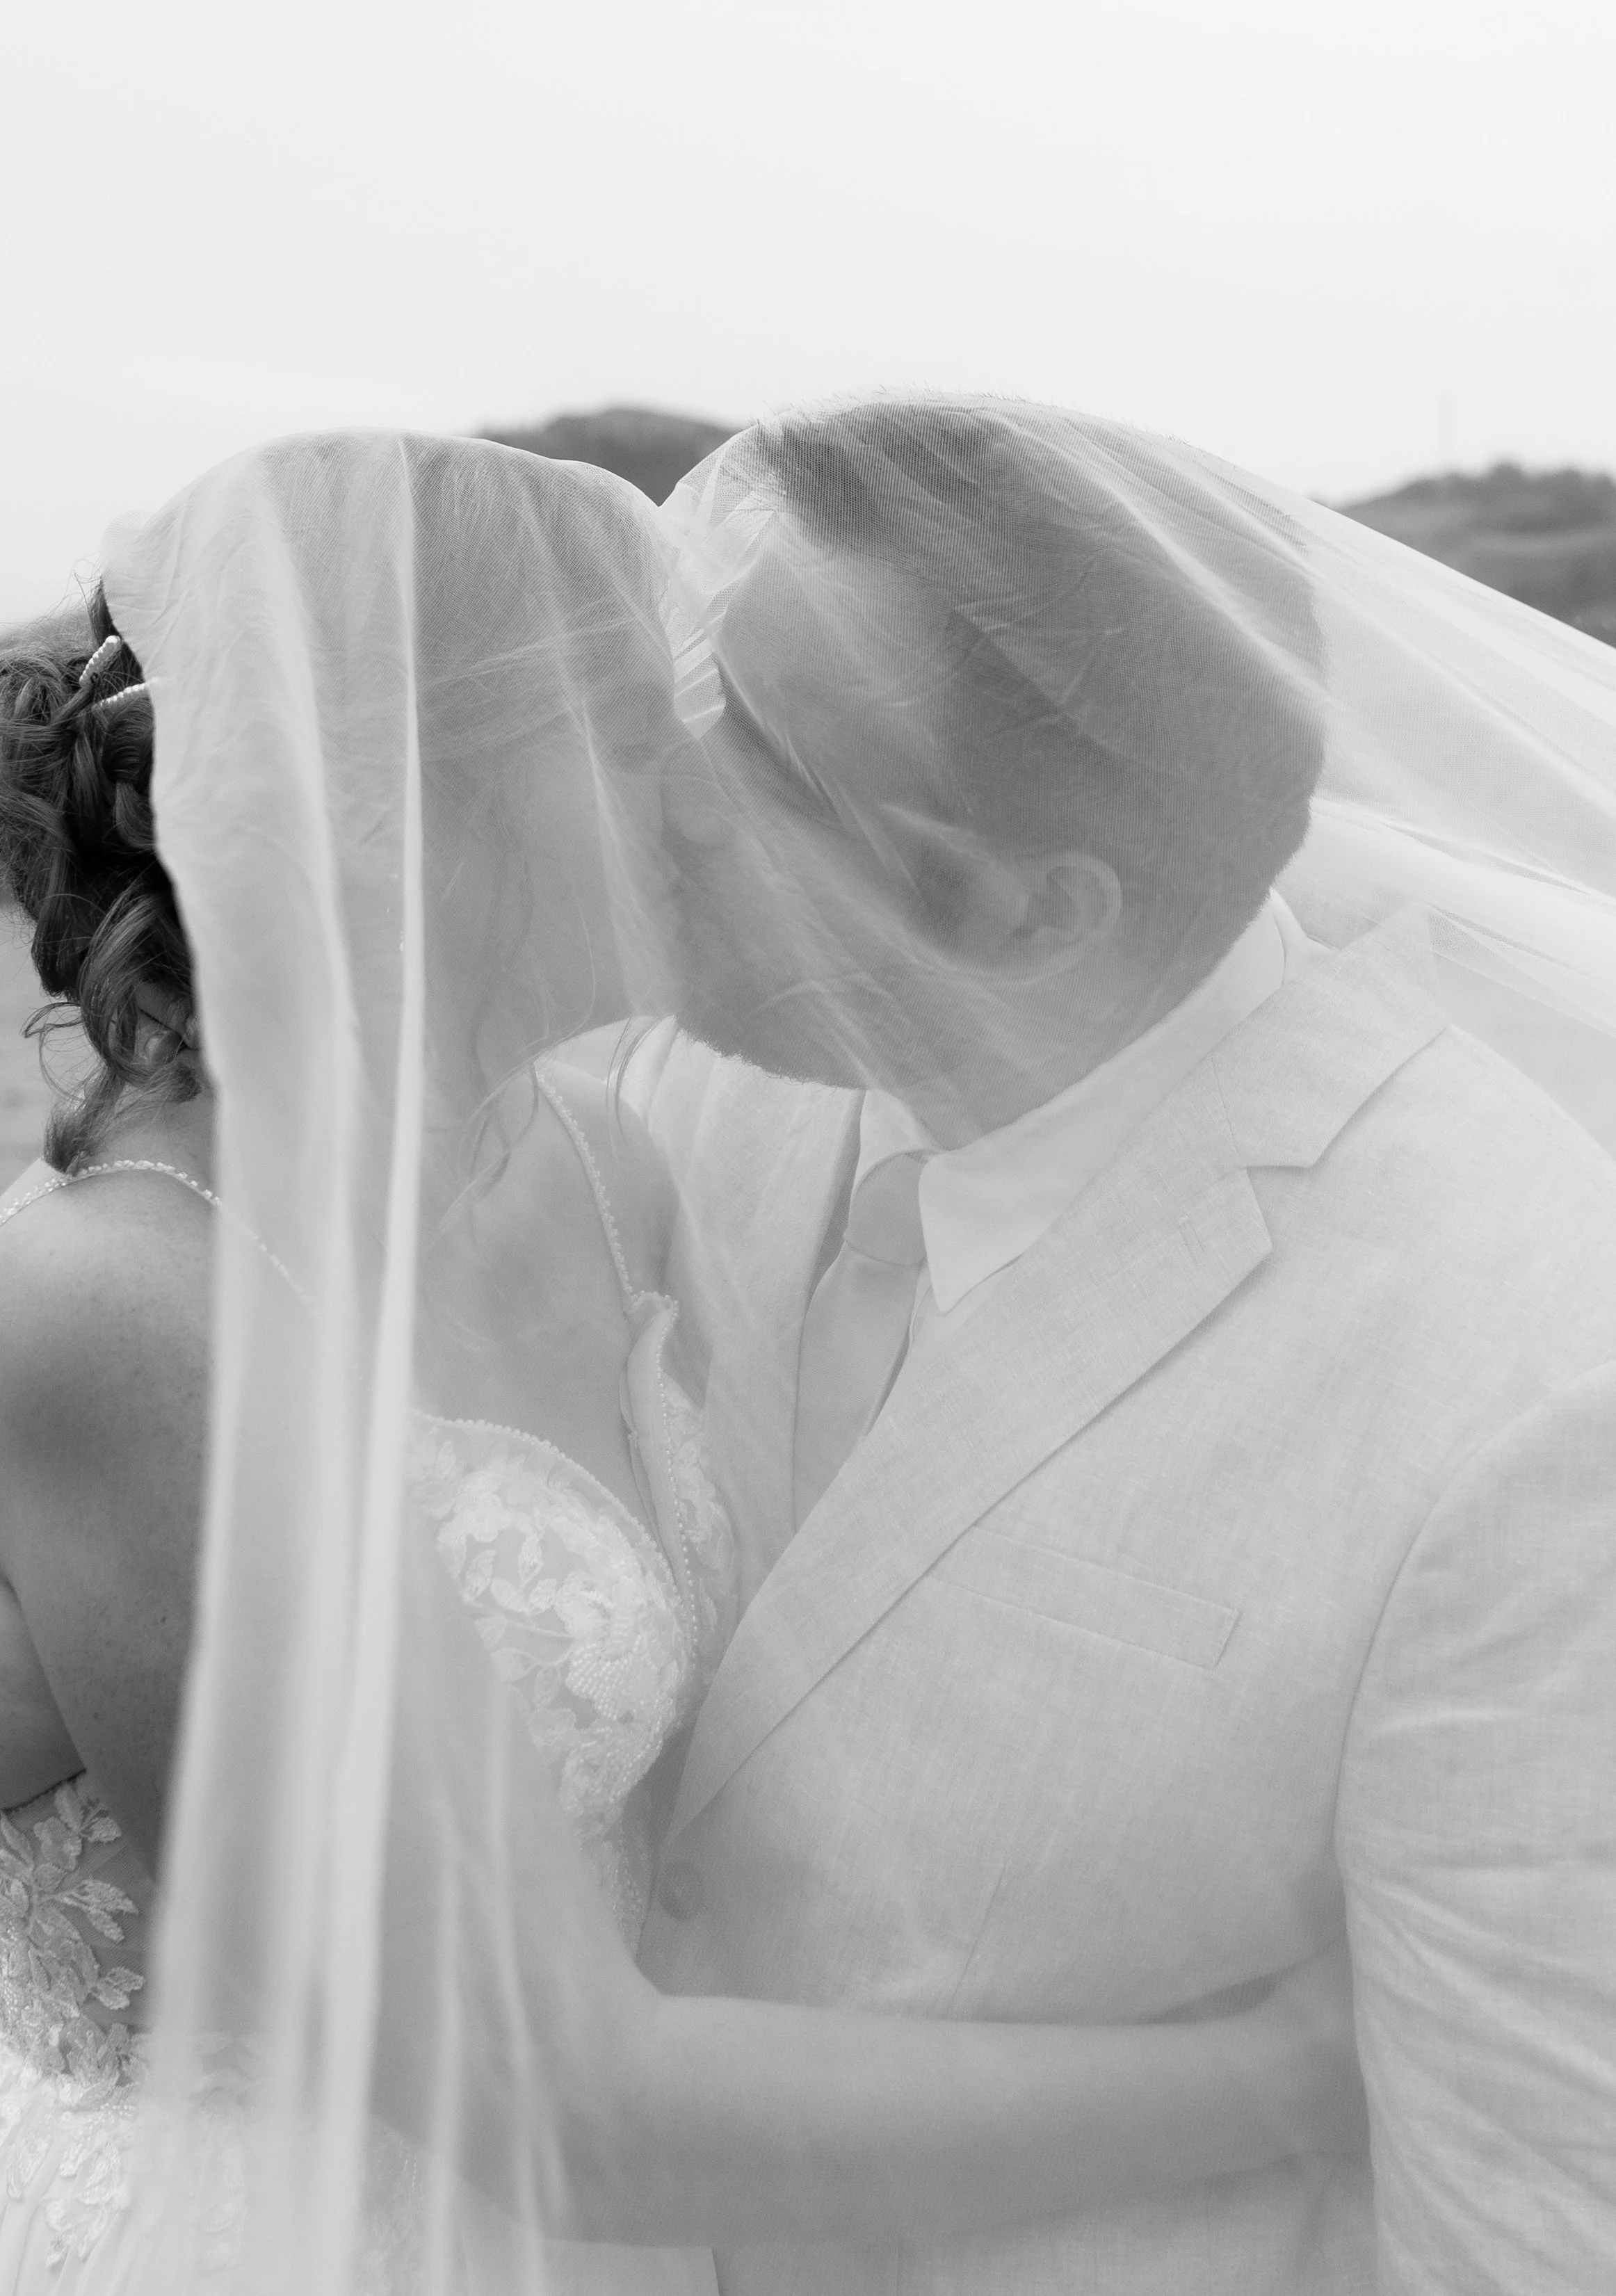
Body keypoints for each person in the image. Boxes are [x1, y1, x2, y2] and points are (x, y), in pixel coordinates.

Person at [0, 431, 1362, 2296]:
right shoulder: (128, 1313)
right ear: (418, 816)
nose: (708, 804)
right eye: (645, 751)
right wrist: (1290, 2074)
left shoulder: (594, 1164)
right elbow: (536, 2091)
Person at [614, 395, 1616, 2294]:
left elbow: (1530, 2217)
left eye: (729, 746)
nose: (642, 787)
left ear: (1023, 900)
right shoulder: (689, 1087)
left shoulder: (1540, 1381)